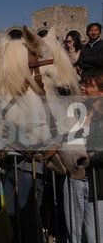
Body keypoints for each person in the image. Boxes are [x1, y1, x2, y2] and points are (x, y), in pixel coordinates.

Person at [64, 72, 103, 242]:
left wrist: (81, 156)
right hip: (73, 181)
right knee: (74, 233)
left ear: (101, 93)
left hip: (97, 181)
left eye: (89, 86)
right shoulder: (75, 114)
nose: (83, 88)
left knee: (94, 234)